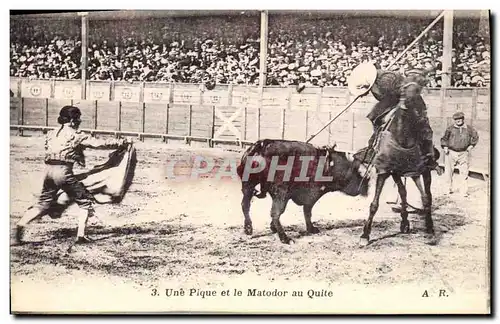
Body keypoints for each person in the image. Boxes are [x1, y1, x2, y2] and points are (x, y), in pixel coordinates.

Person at [15, 106, 127, 245]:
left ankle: (20, 225)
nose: (80, 121)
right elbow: (98, 144)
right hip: (64, 172)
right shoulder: (76, 134)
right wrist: (120, 142)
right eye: (78, 118)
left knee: (43, 203)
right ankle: (81, 236)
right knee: (85, 202)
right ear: (73, 120)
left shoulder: (51, 133)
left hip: (48, 171)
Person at [440, 111, 479, 197]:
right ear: (454, 120)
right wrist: (445, 147)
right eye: (456, 119)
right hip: (451, 152)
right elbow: (444, 139)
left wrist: (471, 146)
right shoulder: (450, 128)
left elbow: (475, 136)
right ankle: (447, 189)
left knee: (464, 173)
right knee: (448, 172)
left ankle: (463, 191)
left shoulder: (469, 128)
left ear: (463, 119)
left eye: (460, 119)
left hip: (463, 153)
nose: (458, 121)